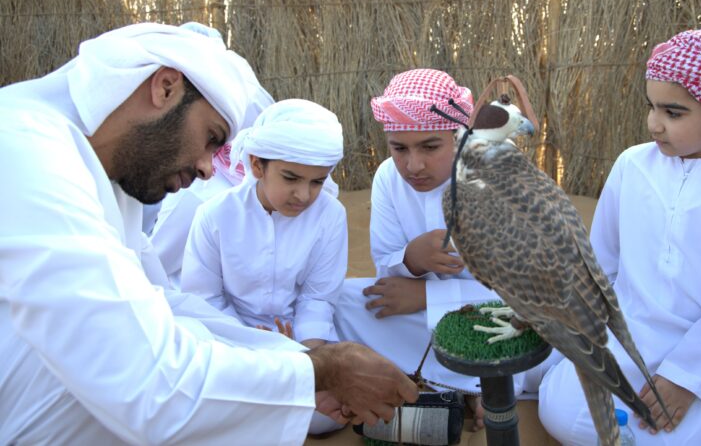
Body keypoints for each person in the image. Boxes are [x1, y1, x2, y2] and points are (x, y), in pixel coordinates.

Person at [0, 22, 417, 445]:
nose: (207, 168)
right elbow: (148, 388)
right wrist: (318, 370)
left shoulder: (105, 179)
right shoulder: (28, 154)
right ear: (165, 88)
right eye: (211, 138)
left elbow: (167, 305)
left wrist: (302, 357)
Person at [537, 29, 701, 445]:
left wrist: (684, 381)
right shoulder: (633, 165)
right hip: (625, 332)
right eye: (651, 107)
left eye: (673, 112)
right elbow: (601, 264)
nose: (654, 123)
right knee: (562, 414)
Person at [334, 68, 560, 429]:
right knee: (344, 299)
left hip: (501, 318)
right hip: (421, 318)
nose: (414, 165)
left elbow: (528, 293)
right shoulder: (388, 179)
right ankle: (458, 384)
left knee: (550, 339)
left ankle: (478, 385)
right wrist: (410, 260)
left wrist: (427, 295)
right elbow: (389, 282)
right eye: (399, 148)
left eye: (430, 146)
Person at [181, 98, 347, 353]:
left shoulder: (330, 215)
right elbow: (204, 300)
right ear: (258, 165)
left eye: (317, 182)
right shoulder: (214, 215)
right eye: (291, 178)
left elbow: (317, 299)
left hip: (304, 339)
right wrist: (251, 343)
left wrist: (305, 355)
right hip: (227, 340)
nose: (303, 195)